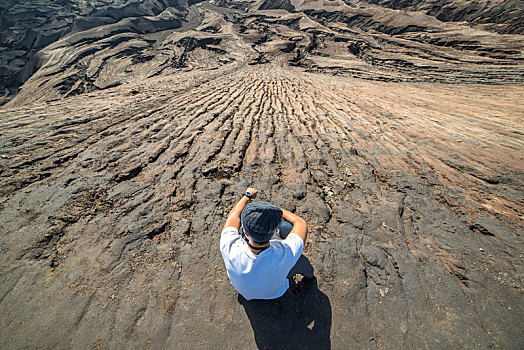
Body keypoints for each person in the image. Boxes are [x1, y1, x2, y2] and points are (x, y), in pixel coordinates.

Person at [220, 187, 314, 300]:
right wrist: (274, 210)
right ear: (272, 233)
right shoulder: (285, 253)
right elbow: (300, 222)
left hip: (247, 295)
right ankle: (309, 276)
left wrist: (247, 196)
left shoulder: (229, 245)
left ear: (245, 231)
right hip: (276, 293)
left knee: (238, 230)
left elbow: (234, 215)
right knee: (287, 229)